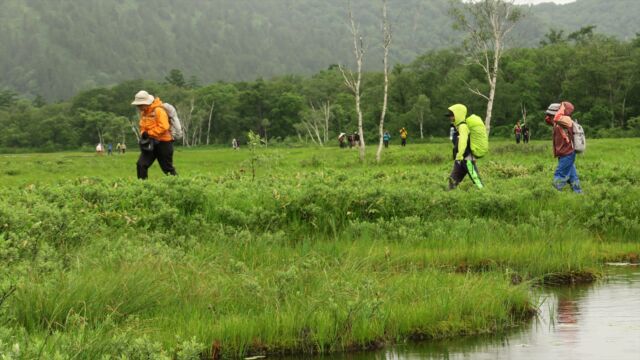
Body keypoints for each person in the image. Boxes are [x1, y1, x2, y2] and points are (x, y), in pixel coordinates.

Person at [132, 90, 177, 179]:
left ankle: (180, 186)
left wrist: (149, 133)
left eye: (140, 105)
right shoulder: (144, 113)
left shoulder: (159, 110)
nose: (138, 107)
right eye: (138, 105)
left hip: (164, 143)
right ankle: (142, 188)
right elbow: (142, 126)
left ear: (146, 103)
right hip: (150, 143)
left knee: (167, 169)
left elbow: (164, 127)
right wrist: (143, 133)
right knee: (141, 165)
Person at [446, 104, 486, 190]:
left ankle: (486, 195)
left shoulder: (463, 126)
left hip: (467, 159)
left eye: (451, 115)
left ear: (457, 115)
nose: (450, 118)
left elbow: (463, 142)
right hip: (460, 160)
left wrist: (459, 155)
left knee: (477, 180)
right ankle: (448, 197)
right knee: (452, 181)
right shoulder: (458, 127)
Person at [545, 102, 582, 193]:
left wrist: (562, 107)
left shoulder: (565, 120)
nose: (550, 116)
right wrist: (549, 115)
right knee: (573, 177)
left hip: (567, 153)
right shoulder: (556, 121)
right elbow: (548, 120)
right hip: (564, 154)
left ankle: (554, 194)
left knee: (560, 174)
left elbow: (557, 118)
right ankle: (579, 193)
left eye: (551, 114)